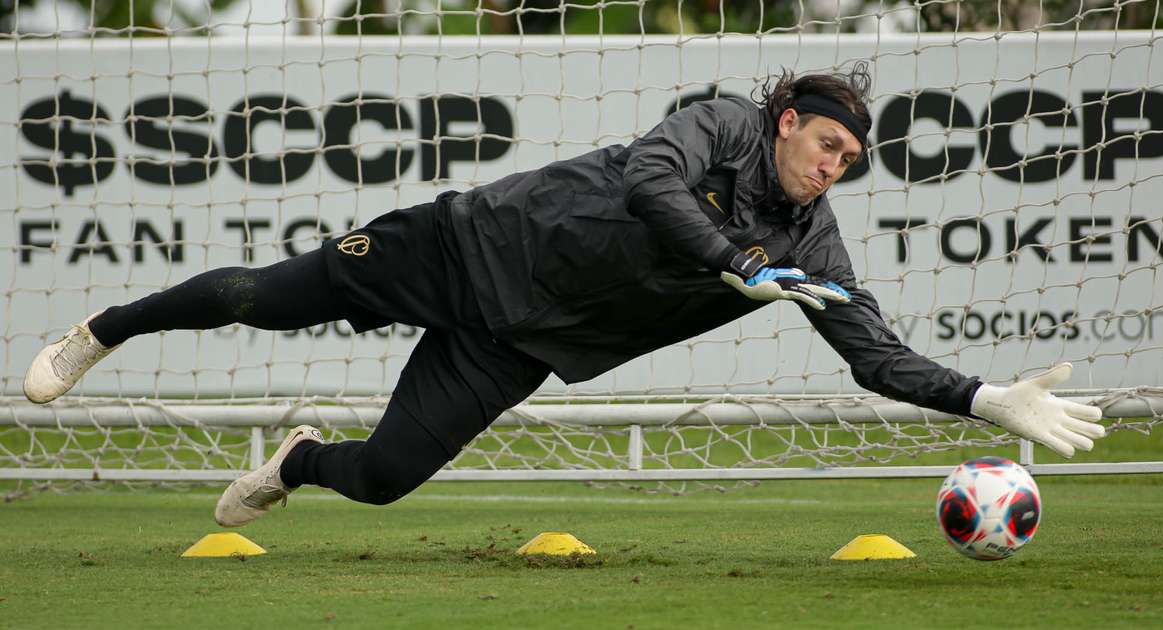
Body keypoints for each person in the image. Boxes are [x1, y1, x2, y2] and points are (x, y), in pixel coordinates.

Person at [22, 63, 1106, 527]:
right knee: (263, 293)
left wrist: (979, 398)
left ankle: (297, 461)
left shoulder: (813, 243)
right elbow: (649, 183)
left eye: (849, 161)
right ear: (787, 125)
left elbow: (871, 354)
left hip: (523, 338)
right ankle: (104, 330)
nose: (834, 168)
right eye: (826, 146)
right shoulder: (721, 123)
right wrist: (735, 260)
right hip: (461, 245)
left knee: (390, 477)